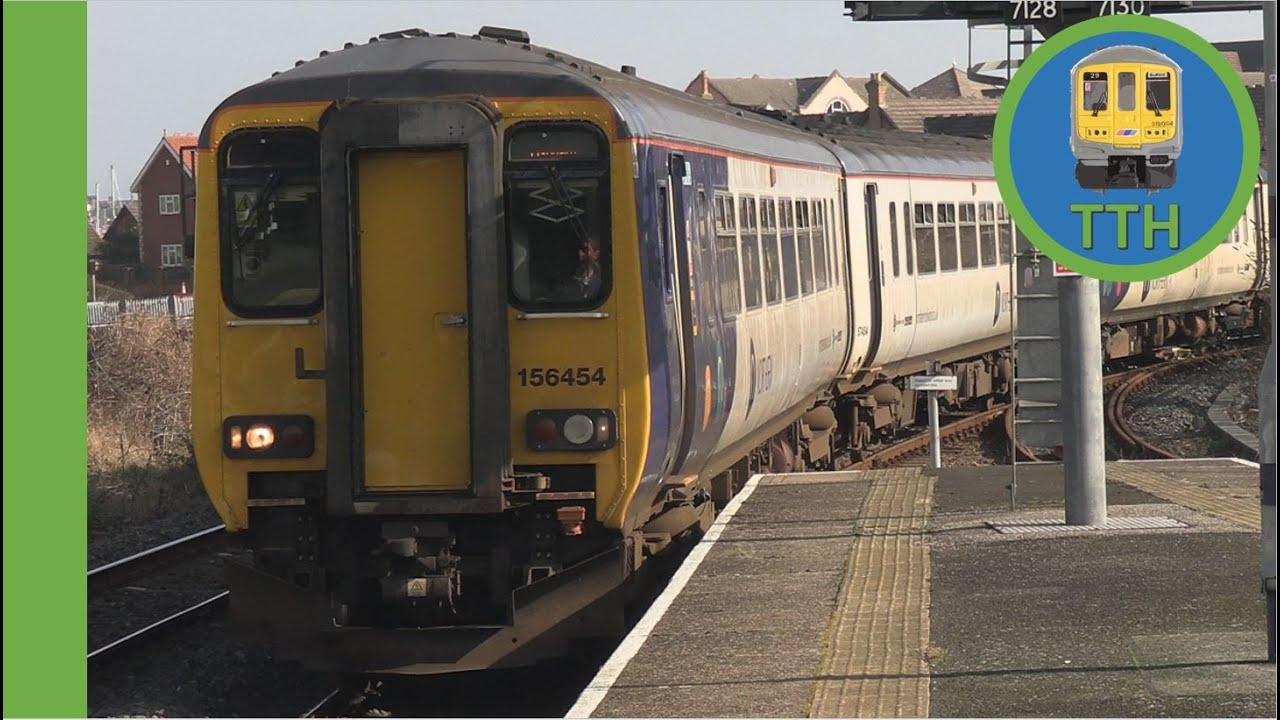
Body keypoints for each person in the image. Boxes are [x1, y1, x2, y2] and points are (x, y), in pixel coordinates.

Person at [550, 236, 603, 302]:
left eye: (585, 250)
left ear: (596, 254)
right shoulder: (567, 279)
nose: (580, 253)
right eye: (579, 250)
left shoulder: (602, 280)